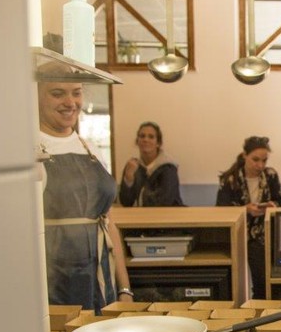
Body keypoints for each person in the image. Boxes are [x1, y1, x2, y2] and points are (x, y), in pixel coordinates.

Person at [37, 81, 133, 312]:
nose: (70, 103)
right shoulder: (30, 149)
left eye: (76, 93)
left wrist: (125, 288)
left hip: (100, 277)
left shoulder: (90, 149)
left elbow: (108, 222)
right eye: (57, 93)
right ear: (36, 96)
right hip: (55, 281)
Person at [216, 136, 281, 299]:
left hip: (262, 236)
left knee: (262, 282)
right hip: (236, 234)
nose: (260, 165)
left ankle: (261, 309)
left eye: (264, 160)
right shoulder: (230, 179)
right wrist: (245, 209)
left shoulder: (270, 176)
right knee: (232, 283)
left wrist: (272, 205)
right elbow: (221, 209)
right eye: (255, 160)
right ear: (244, 156)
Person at [118, 121, 184, 206]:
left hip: (169, 217)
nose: (145, 139)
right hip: (141, 217)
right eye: (142, 136)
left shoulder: (168, 168)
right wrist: (128, 179)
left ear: (158, 143)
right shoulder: (132, 166)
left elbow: (164, 202)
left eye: (151, 137)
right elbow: (126, 203)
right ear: (137, 141)